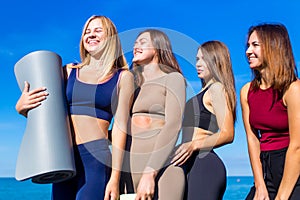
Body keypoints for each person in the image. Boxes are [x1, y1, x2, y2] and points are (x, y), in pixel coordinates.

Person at [15, 15, 134, 200]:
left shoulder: (123, 77)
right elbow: (46, 114)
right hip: (62, 157)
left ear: (111, 37)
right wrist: (22, 108)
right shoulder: (67, 71)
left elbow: (120, 128)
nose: (91, 35)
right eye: (87, 31)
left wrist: (115, 178)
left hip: (96, 159)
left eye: (97, 30)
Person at [240, 23, 300, 199]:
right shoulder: (246, 91)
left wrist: (281, 197)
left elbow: (297, 146)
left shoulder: (293, 89)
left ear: (273, 47)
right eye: (248, 46)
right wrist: (260, 185)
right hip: (265, 170)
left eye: (255, 45)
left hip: (293, 168)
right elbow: (252, 139)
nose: (248, 51)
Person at [171, 40, 236, 200]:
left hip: (205, 165)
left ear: (216, 61)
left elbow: (228, 133)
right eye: (197, 59)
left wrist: (193, 145)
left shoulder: (217, 89)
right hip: (190, 164)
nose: (198, 64)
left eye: (204, 59)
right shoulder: (204, 91)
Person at [129, 29, 186, 200]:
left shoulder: (173, 78)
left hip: (162, 167)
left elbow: (173, 125)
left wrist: (150, 172)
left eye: (143, 42)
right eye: (135, 43)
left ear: (158, 47)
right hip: (129, 167)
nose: (135, 46)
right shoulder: (130, 83)